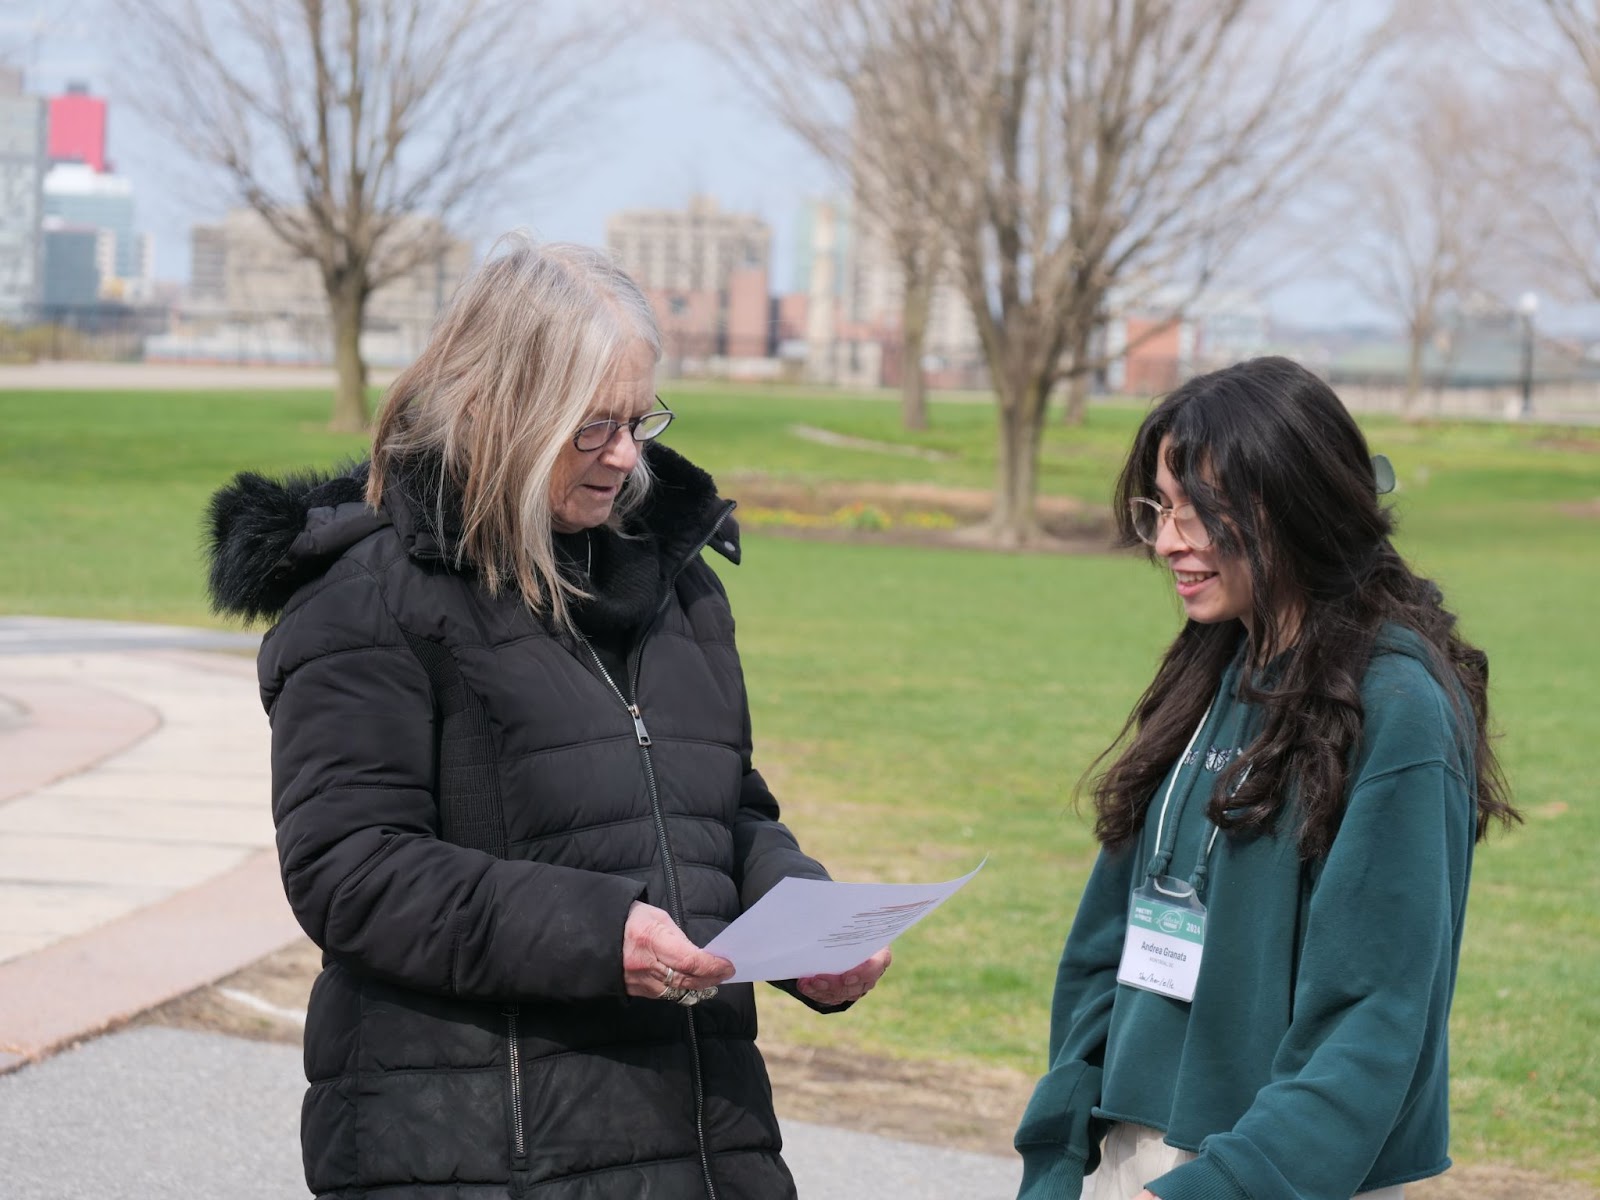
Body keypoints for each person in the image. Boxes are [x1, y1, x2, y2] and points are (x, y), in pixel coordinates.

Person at [205, 237, 890, 1200]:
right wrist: (596, 932)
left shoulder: (680, 587)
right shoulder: (367, 597)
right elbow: (352, 871)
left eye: (638, 418)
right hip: (476, 1152)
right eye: (591, 426)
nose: (626, 455)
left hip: (705, 1140)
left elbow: (722, 807)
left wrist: (807, 921)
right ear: (494, 407)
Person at [1013, 357, 1517, 1200]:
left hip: (1272, 1176)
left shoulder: (1396, 707)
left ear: (1292, 505)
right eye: (1161, 509)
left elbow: (1374, 1019)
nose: (1169, 540)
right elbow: (1107, 944)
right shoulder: (1210, 668)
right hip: (1129, 1157)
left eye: (1199, 514)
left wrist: (1220, 1184)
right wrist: (1064, 1152)